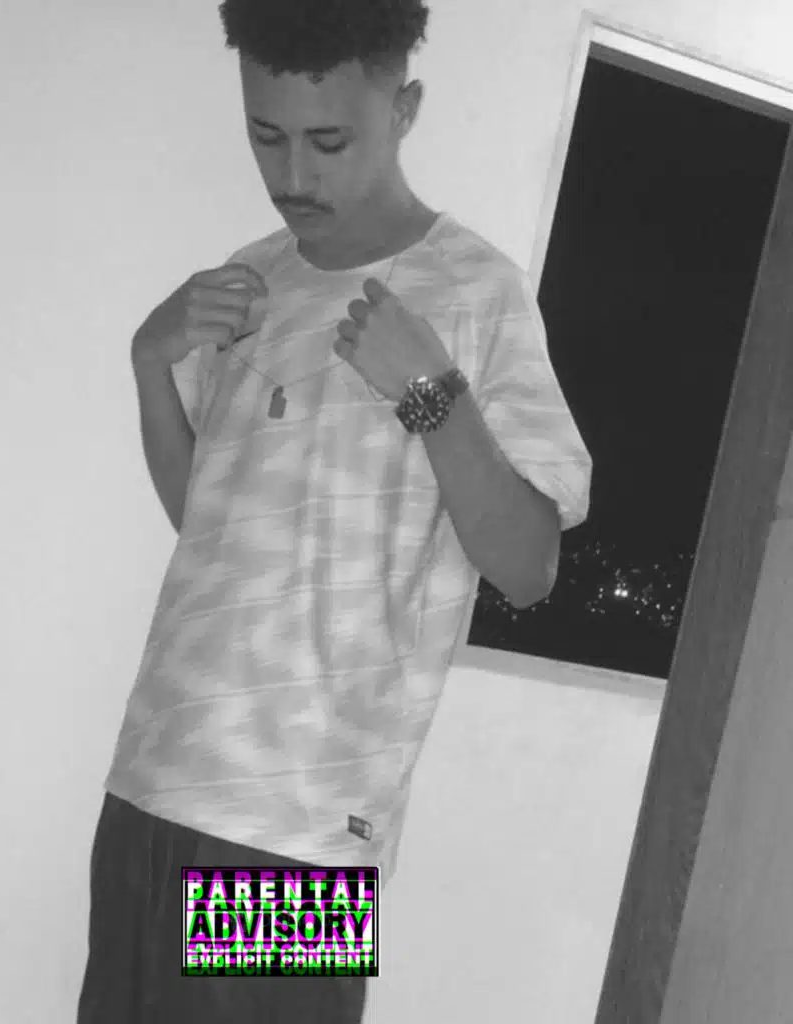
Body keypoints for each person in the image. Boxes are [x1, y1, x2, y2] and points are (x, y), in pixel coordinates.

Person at [77, 1, 593, 1021]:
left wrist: (432, 394)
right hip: (150, 778)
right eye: (265, 134)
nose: (292, 174)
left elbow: (529, 568)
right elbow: (208, 523)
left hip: (302, 835)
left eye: (328, 141)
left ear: (404, 108)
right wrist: (149, 362)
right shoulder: (252, 279)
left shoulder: (477, 294)